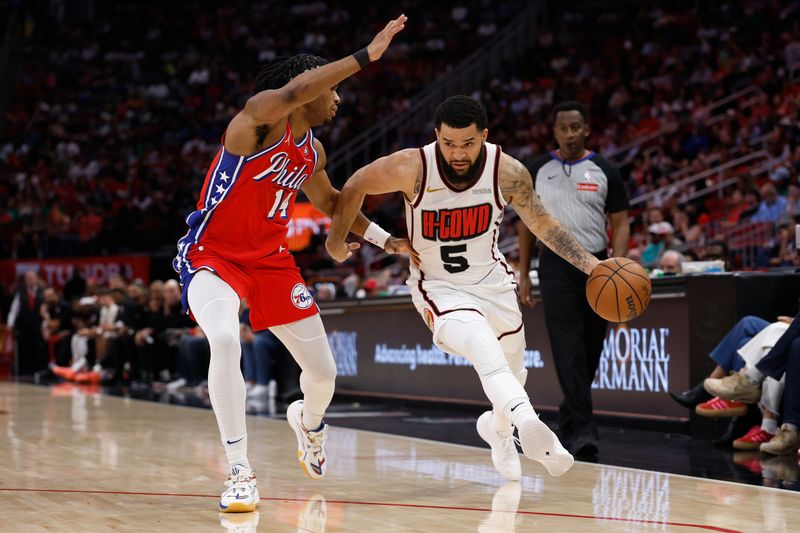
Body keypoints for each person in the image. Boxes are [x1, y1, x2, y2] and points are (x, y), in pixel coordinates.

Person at [172, 15, 415, 513]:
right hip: (212, 256)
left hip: (271, 264)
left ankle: (308, 423)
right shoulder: (259, 119)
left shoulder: (313, 151)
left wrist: (383, 238)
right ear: (310, 89)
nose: (338, 98)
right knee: (222, 338)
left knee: (323, 375)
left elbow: (331, 204)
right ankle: (240, 472)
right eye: (331, 89)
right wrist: (366, 55)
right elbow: (298, 88)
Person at [326, 95, 610, 481]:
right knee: (480, 343)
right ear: (436, 137)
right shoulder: (413, 167)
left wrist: (592, 266)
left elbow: (542, 224)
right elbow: (356, 183)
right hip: (438, 286)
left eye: (468, 144)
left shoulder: (507, 171)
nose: (458, 153)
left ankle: (498, 430)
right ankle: (529, 423)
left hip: (493, 284)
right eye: (449, 143)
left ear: (485, 137)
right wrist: (341, 240)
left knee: (512, 372)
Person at [517, 101, 630, 457]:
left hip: (596, 267)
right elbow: (526, 224)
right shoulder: (537, 169)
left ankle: (568, 419)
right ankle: (584, 429)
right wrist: (524, 273)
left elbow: (622, 222)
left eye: (576, 127)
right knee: (568, 348)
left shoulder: (605, 170)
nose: (569, 133)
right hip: (554, 266)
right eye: (563, 128)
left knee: (591, 349)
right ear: (554, 131)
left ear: (586, 129)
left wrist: (618, 266)